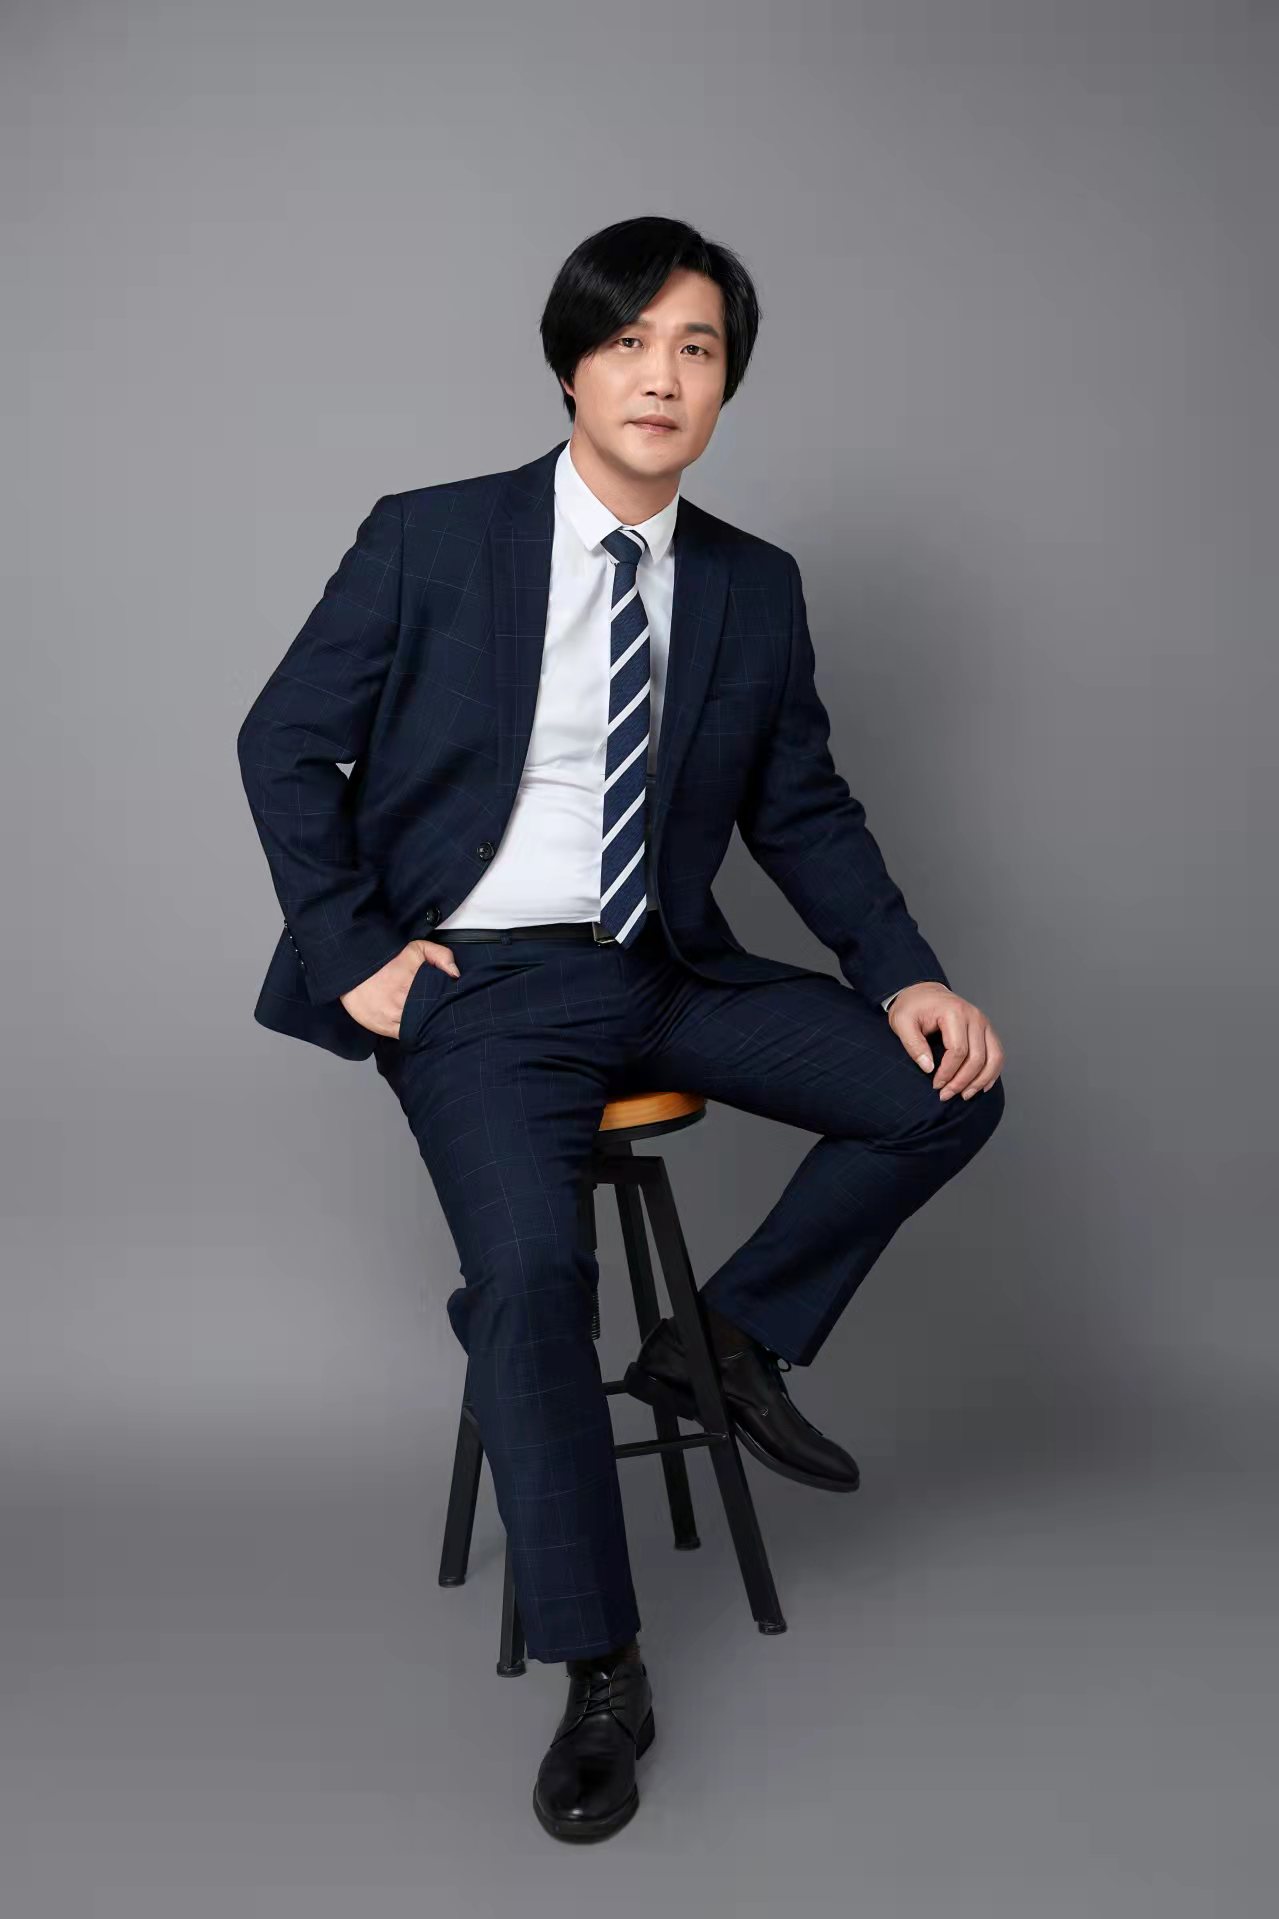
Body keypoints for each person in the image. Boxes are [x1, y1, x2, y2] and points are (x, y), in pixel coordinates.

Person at [236, 214, 1007, 1843]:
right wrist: (355, 951)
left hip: (662, 969)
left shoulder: (751, 584)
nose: (662, 376)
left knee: (944, 1088)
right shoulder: (432, 537)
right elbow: (284, 739)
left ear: (727, 386)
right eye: (629, 341)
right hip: (479, 994)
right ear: (573, 366)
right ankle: (601, 1672)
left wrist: (907, 973)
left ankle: (720, 1347)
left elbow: (803, 808)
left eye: (697, 349)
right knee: (532, 1280)